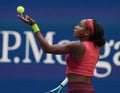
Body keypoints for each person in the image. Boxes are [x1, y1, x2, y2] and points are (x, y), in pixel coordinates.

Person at [17, 14, 106, 93]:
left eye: (80, 26)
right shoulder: (96, 48)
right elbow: (81, 70)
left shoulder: (78, 46)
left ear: (87, 33)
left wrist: (34, 26)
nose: (75, 27)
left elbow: (47, 48)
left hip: (77, 89)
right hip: (88, 89)